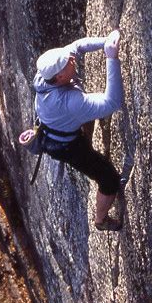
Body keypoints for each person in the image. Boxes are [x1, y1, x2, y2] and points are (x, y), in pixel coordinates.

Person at [33, 30, 124, 231]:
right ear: (60, 77)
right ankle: (101, 221)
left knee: (86, 117)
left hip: (57, 126)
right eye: (68, 62)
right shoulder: (68, 102)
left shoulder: (47, 75)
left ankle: (86, 139)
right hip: (66, 146)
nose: (72, 58)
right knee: (109, 179)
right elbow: (113, 102)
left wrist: (105, 42)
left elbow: (78, 46)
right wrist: (111, 57)